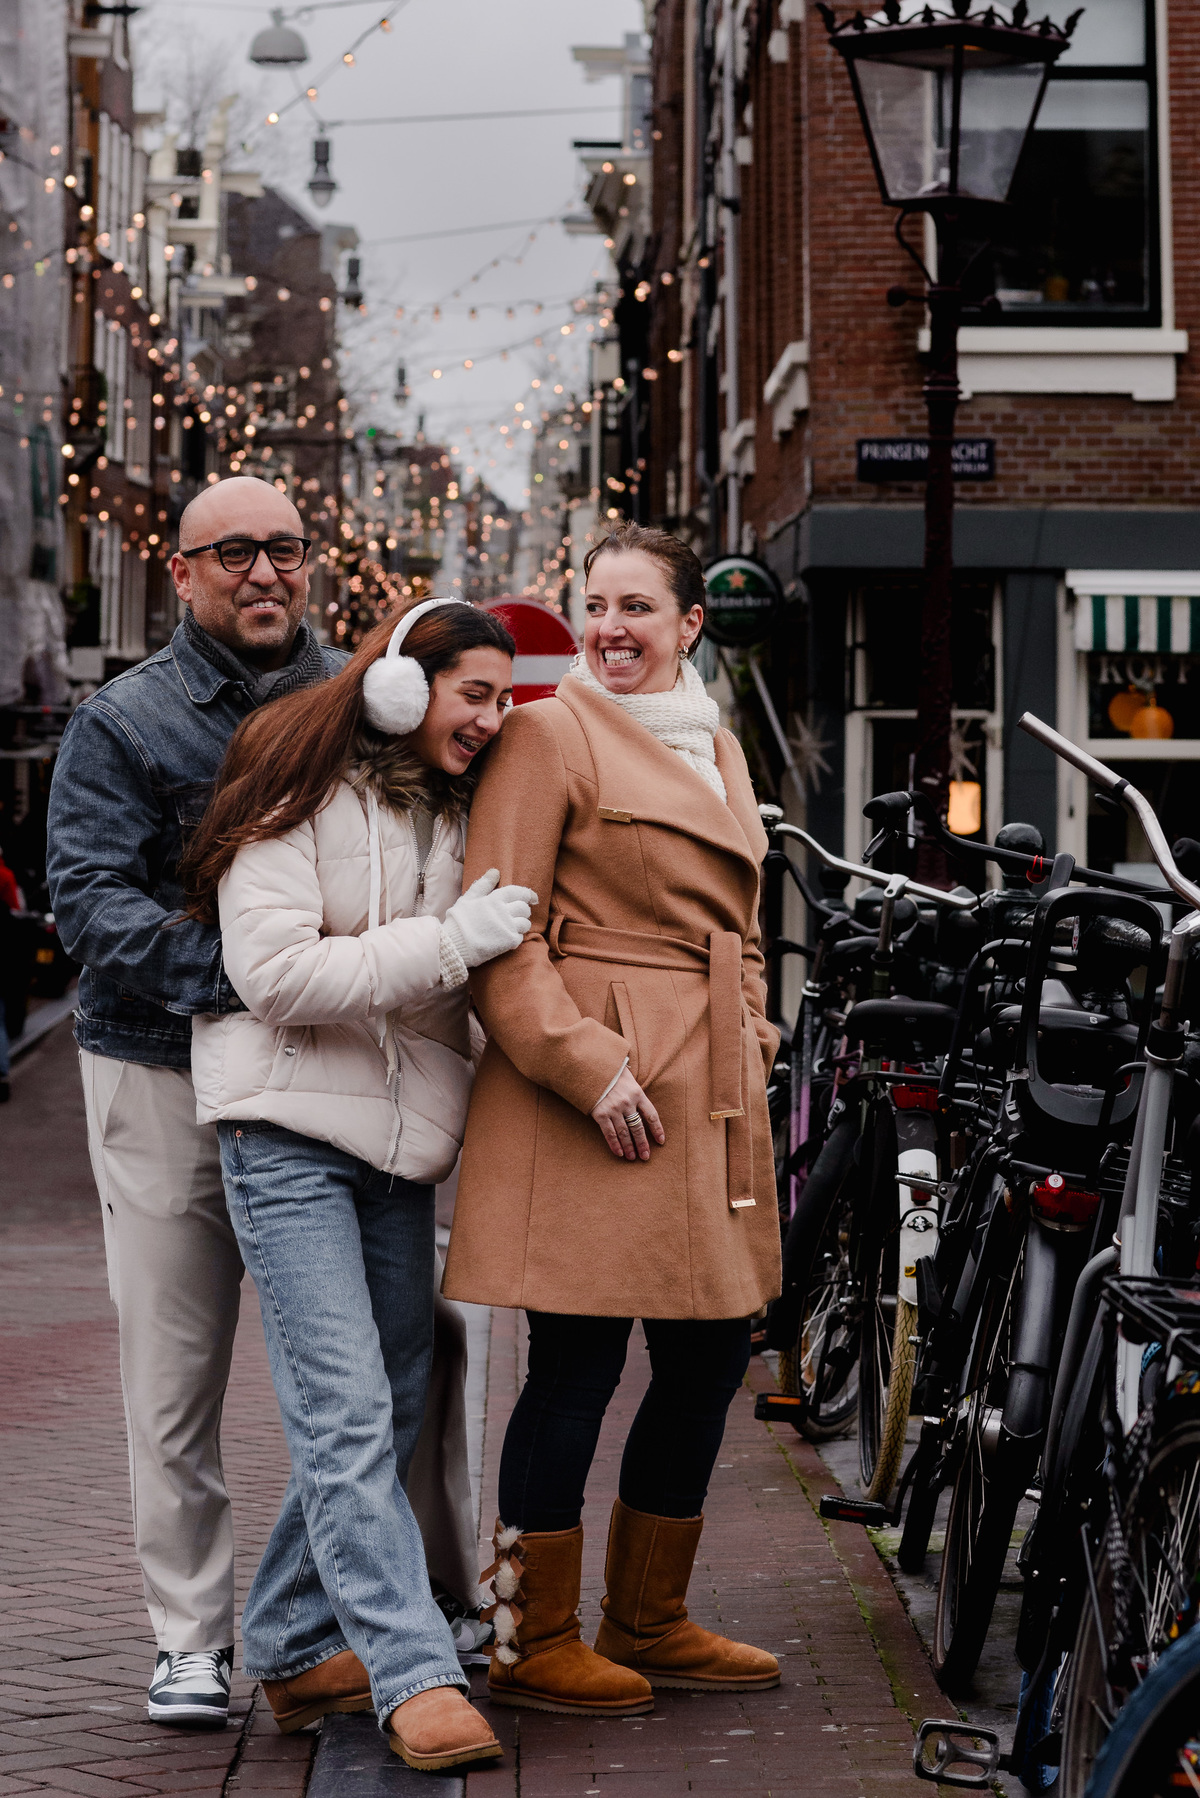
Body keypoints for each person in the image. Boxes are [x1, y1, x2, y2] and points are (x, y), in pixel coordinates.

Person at [45, 479, 482, 1728]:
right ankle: (192, 1637)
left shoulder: (364, 701)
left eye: (286, 550)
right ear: (179, 573)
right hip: (163, 1069)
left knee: (409, 1352)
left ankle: (400, 1597)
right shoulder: (122, 724)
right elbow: (90, 904)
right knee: (175, 1367)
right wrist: (254, 982)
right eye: (232, 552)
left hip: (334, 1078)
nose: (264, 573)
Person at [183, 598, 535, 1772]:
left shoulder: (465, 817)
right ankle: (413, 1669)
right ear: (398, 686)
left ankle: (287, 1642)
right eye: (469, 692)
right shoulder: (297, 786)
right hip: (281, 1132)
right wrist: (453, 943)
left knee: (390, 1397)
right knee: (341, 1411)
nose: (489, 717)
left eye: (503, 696)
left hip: (399, 1154)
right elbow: (270, 972)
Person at [443, 522, 784, 1716]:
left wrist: (758, 1026)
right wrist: (588, 1066)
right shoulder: (549, 731)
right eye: (597, 604)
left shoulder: (718, 745)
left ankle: (650, 1615)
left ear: (691, 624)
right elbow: (502, 932)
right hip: (596, 1097)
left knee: (708, 1352)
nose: (611, 629)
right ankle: (531, 1636)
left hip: (711, 1093)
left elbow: (736, 926)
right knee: (578, 1357)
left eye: (639, 607)